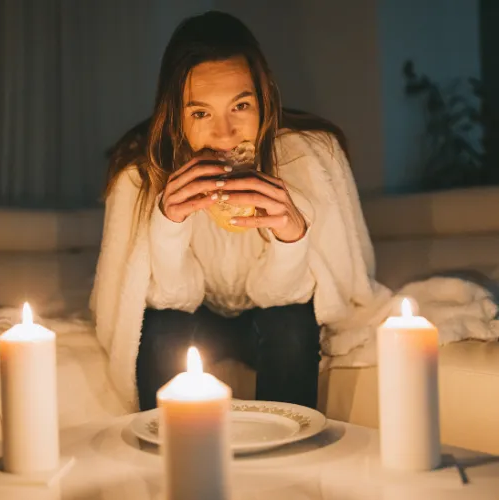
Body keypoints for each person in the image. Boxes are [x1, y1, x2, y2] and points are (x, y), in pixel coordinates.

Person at [90, 11, 379, 413]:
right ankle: (166, 456)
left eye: (240, 106)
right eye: (200, 113)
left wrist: (290, 236)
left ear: (264, 103)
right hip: (192, 318)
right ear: (176, 118)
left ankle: (286, 455)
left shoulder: (307, 158)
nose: (224, 134)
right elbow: (168, 298)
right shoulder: (141, 174)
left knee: (291, 322)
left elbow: (286, 297)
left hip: (271, 317)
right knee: (160, 329)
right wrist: (169, 222)